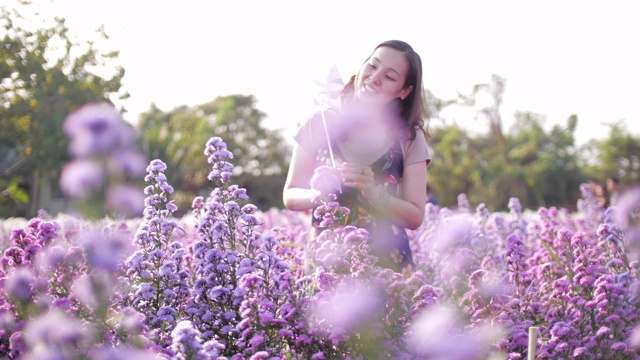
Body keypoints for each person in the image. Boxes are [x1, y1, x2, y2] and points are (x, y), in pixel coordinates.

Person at [283, 40, 431, 272]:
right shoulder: (319, 123)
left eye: (390, 77)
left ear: (404, 91)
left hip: (386, 267)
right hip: (327, 265)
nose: (375, 78)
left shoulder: (409, 138)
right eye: (372, 66)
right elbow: (290, 195)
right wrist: (321, 192)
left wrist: (375, 193)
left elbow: (415, 216)